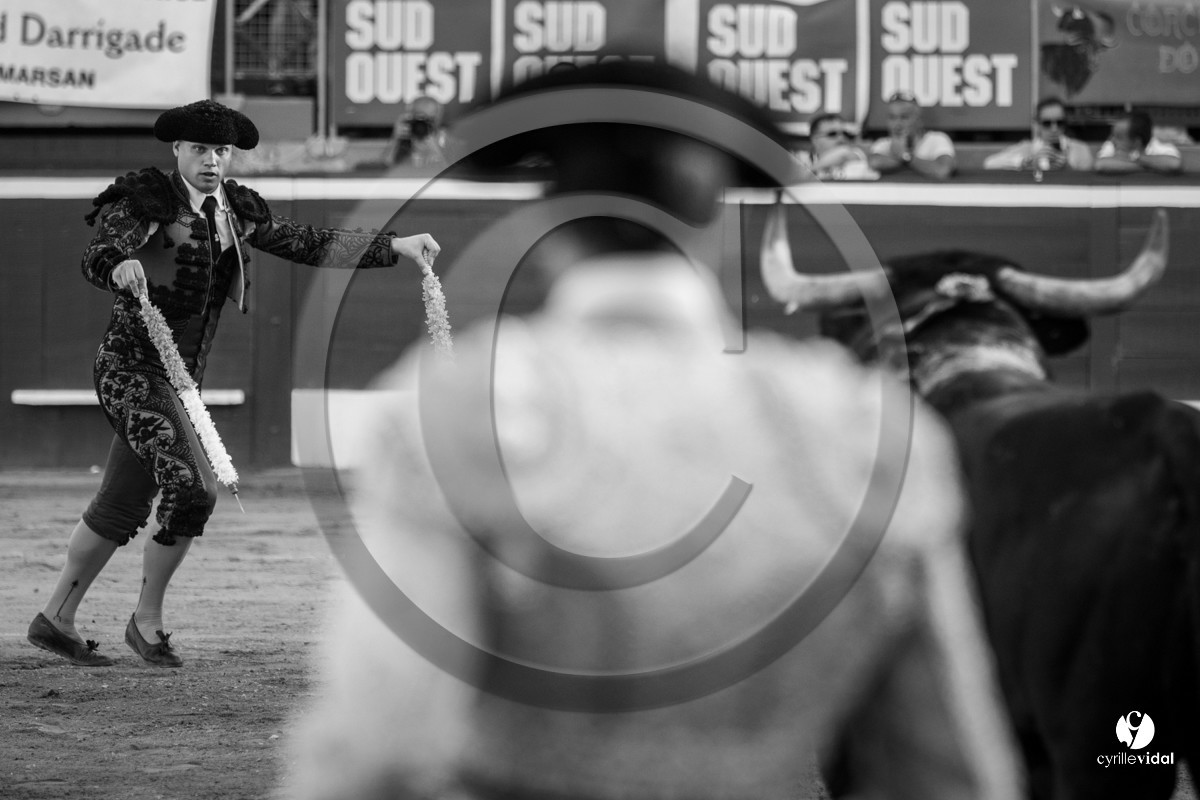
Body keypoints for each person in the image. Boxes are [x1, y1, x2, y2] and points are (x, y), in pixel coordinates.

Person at [285, 61, 1023, 800]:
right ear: (712, 222)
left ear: (546, 225)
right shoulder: (865, 431)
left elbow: (373, 751)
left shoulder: (461, 410)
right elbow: (945, 773)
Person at [26, 98, 440, 669]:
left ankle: (56, 619)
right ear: (177, 149)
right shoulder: (146, 200)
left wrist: (393, 245)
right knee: (194, 489)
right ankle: (146, 620)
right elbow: (99, 251)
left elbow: (309, 242)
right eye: (200, 149)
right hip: (129, 370)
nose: (212, 161)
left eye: (221, 150)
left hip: (182, 381)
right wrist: (116, 265)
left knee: (122, 501)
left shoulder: (236, 209)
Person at [983, 96, 1095, 172]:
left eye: (1059, 122)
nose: (1054, 128)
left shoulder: (1079, 149)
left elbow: (1089, 180)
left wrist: (1067, 168)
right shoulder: (1027, 148)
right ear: (1037, 124)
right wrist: (1027, 163)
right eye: (1047, 123)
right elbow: (989, 164)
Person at [868, 92, 956, 180]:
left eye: (904, 117)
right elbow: (874, 163)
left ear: (918, 119)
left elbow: (942, 170)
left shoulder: (936, 139)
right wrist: (907, 160)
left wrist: (905, 156)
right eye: (892, 117)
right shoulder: (883, 144)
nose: (897, 124)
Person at [1094, 109, 1183, 175]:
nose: (1113, 140)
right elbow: (1101, 165)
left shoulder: (1160, 145)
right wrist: (1150, 167)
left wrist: (1135, 157)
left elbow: (1174, 165)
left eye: (1119, 137)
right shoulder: (1111, 144)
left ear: (1137, 142)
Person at [797, 112, 879, 180]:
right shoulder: (801, 159)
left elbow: (843, 152)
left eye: (844, 133)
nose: (841, 138)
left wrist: (811, 171)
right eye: (832, 134)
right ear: (815, 139)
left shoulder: (855, 155)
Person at [384, 95, 454, 169]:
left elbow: (454, 173)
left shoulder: (449, 142)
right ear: (410, 117)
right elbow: (383, 169)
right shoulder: (404, 143)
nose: (424, 124)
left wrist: (435, 152)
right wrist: (395, 140)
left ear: (438, 118)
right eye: (420, 119)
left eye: (430, 119)